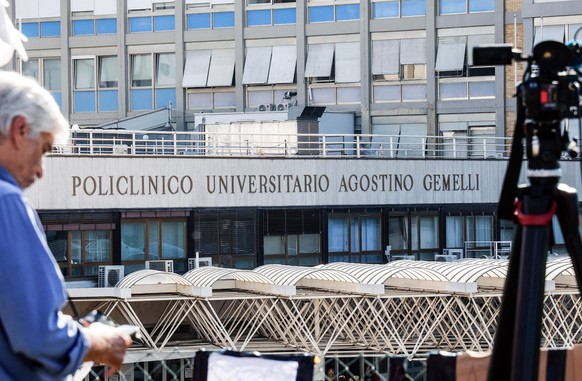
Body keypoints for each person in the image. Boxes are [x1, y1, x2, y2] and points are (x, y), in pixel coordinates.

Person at [0, 71, 133, 380]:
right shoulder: (6, 201)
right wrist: (102, 341)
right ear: (19, 129)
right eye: (44, 150)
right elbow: (39, 337)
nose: (41, 171)